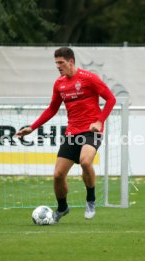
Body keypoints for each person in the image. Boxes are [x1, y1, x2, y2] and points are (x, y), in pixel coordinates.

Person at [16, 47, 116, 223]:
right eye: (56, 63)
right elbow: (52, 109)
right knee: (58, 175)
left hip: (91, 130)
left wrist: (99, 121)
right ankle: (62, 208)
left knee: (85, 161)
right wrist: (32, 127)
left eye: (61, 62)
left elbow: (111, 99)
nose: (58, 66)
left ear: (71, 62)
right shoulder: (59, 83)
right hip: (72, 132)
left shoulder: (89, 78)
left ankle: (90, 200)